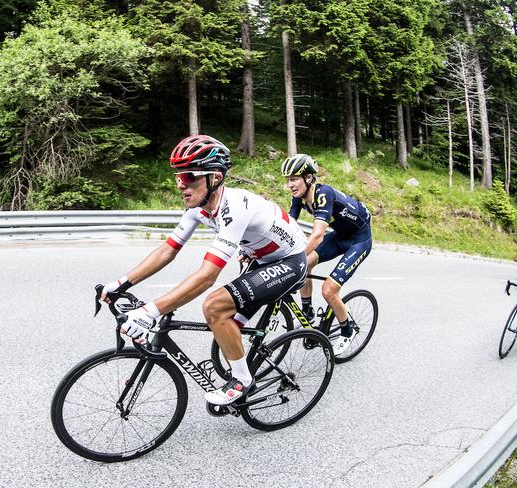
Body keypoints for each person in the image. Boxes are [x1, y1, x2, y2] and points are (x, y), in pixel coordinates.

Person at [101, 135, 307, 406]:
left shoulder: (235, 207)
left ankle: (243, 381)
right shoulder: (198, 208)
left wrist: (150, 312)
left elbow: (208, 276)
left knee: (214, 307)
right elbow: (168, 250)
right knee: (227, 322)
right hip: (259, 258)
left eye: (188, 177)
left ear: (216, 178)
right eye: (178, 177)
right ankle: (242, 358)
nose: (180, 185)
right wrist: (121, 283)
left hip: (289, 262)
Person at [281, 154, 372, 356]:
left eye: (294, 179)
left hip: (359, 240)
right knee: (304, 264)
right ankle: (308, 312)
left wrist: (292, 258)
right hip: (340, 235)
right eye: (288, 180)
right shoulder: (298, 197)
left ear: (309, 178)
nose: (290, 185)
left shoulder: (324, 194)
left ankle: (347, 330)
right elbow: (287, 226)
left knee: (329, 290)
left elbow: (318, 235)